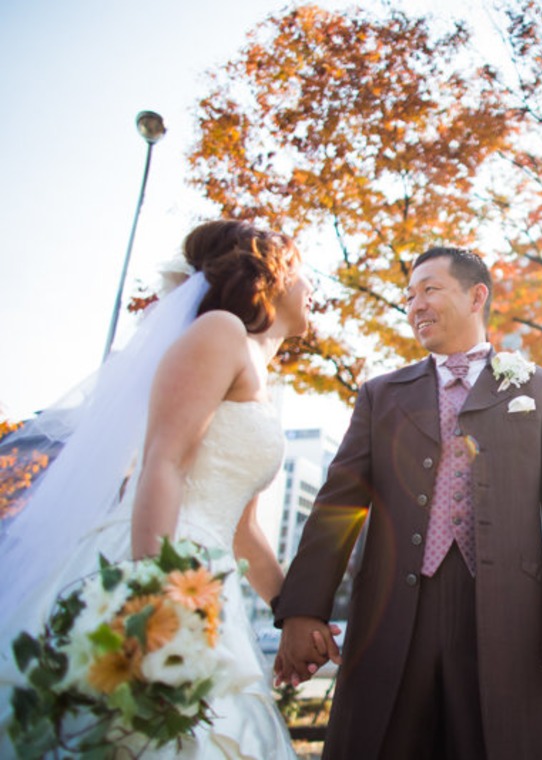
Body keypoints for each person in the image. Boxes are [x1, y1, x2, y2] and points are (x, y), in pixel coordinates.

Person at [0, 219, 312, 757]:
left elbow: (244, 530)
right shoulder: (220, 331)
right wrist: (151, 598)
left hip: (208, 578)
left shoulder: (263, 377)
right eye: (304, 274)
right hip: (159, 559)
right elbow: (164, 462)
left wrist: (296, 613)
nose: (312, 289)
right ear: (272, 276)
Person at [273, 247, 542, 760]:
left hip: (510, 615)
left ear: (476, 296)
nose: (415, 305)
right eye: (408, 296)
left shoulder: (541, 390)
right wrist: (303, 609)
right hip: (396, 611)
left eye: (429, 289)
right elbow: (339, 505)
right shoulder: (381, 394)